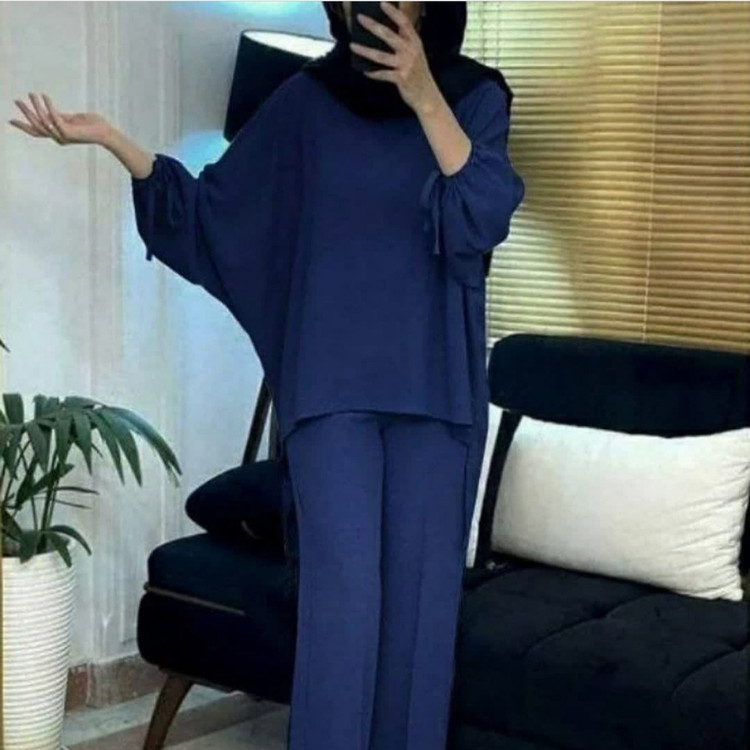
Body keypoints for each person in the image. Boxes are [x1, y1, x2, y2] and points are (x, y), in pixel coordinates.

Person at [8, 2, 524, 748]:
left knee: (420, 621)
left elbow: (479, 216)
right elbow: (217, 211)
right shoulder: (307, 103)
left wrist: (422, 94)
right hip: (329, 393)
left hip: (437, 394)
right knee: (341, 614)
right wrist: (119, 143)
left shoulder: (477, 97)